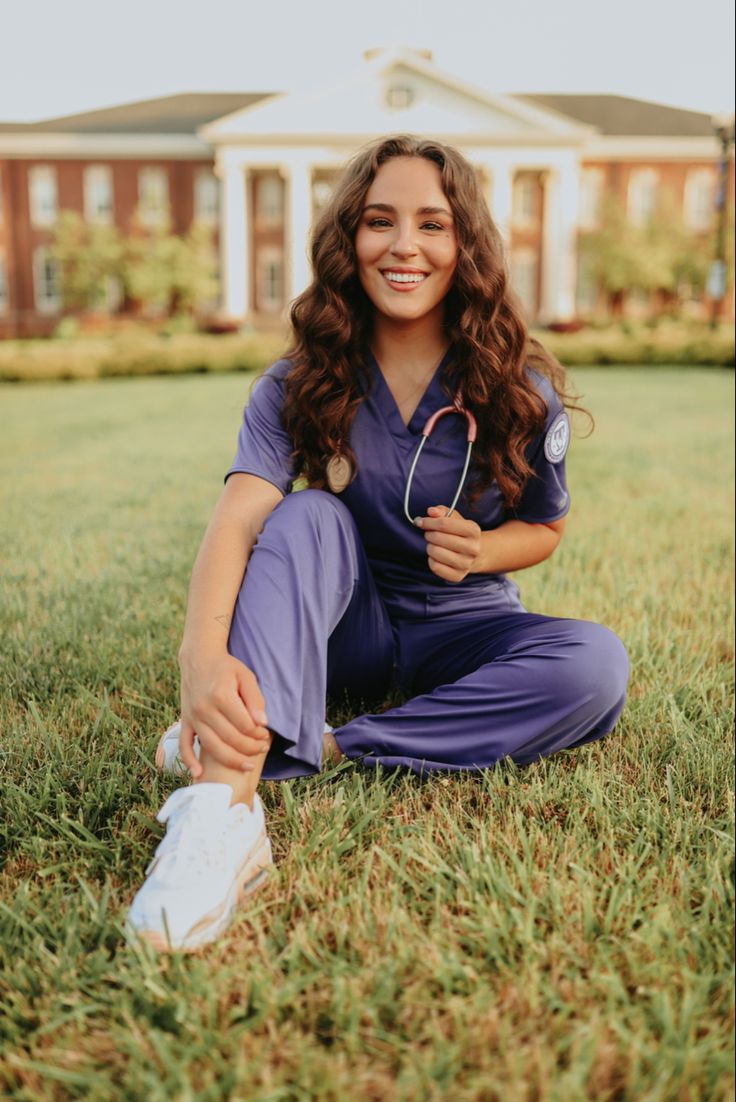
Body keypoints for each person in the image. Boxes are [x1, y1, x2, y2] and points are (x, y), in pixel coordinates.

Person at [126, 135, 629, 952]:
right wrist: (199, 659)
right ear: (346, 240)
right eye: (379, 221)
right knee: (305, 517)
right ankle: (223, 812)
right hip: (345, 631)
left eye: (433, 224)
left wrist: (484, 552)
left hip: (463, 626)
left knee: (596, 665)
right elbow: (241, 516)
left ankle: (325, 743)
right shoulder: (295, 383)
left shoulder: (519, 389)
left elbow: (546, 526)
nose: (404, 246)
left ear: (465, 245)